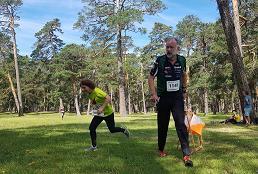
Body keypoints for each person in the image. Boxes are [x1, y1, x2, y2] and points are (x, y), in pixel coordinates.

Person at [148, 37, 193, 167]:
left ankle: (186, 154)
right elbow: (150, 77)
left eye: (171, 47)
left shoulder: (182, 60)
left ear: (177, 48)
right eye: (167, 47)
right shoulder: (160, 60)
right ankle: (161, 149)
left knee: (181, 125)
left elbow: (184, 75)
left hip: (177, 98)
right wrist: (154, 94)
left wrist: (184, 89)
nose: (168, 49)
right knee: (162, 125)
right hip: (163, 98)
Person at [80, 79, 130, 151]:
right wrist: (94, 108)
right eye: (82, 88)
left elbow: (108, 98)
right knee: (92, 128)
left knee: (112, 130)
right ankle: (94, 147)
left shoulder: (97, 91)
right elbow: (94, 101)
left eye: (84, 87)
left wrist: (102, 107)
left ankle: (123, 130)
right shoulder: (90, 94)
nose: (82, 89)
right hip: (99, 115)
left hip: (108, 113)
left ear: (89, 86)